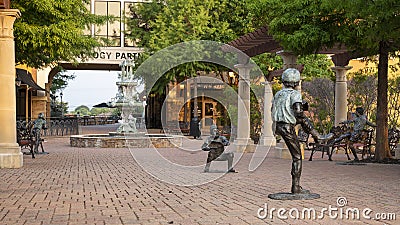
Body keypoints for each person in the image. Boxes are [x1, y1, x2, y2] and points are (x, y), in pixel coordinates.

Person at [272, 68, 332, 194]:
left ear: (283, 81)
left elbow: (274, 109)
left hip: (278, 125)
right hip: (287, 127)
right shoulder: (295, 94)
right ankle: (296, 187)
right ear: (297, 82)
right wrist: (302, 115)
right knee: (297, 157)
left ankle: (317, 136)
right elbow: (298, 111)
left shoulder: (278, 94)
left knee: (304, 121)